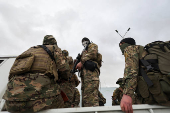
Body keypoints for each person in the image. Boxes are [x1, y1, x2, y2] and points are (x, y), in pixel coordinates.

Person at [3, 35, 71, 112]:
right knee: (63, 104)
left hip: (10, 101)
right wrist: (64, 78)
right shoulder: (54, 48)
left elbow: (12, 73)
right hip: (40, 100)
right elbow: (65, 69)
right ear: (54, 43)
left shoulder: (29, 50)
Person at [76, 37, 100, 107]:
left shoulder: (92, 45)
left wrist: (81, 62)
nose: (84, 43)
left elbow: (93, 53)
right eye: (82, 42)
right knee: (86, 100)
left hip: (91, 77)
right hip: (85, 78)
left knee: (92, 99)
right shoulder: (84, 51)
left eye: (85, 41)